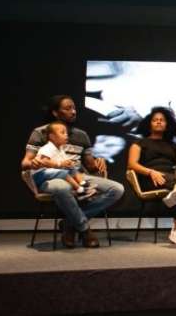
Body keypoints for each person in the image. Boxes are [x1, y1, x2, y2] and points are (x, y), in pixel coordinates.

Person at [21, 95, 125, 248]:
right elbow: (25, 162)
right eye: (68, 108)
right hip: (50, 176)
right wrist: (34, 162)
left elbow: (90, 166)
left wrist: (98, 160)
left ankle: (70, 224)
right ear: (56, 113)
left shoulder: (81, 135)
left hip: (76, 175)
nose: (74, 111)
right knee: (63, 187)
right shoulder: (41, 132)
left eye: (74, 108)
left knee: (117, 190)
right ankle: (84, 229)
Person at [127, 107, 176, 245]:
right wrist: (151, 172)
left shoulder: (173, 146)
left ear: (167, 124)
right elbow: (131, 164)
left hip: (170, 178)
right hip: (150, 179)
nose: (158, 122)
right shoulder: (139, 143)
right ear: (149, 123)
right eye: (155, 120)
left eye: (162, 120)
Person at [32, 121, 96, 200]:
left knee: (72, 168)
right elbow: (44, 161)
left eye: (66, 133)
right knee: (63, 172)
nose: (66, 135)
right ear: (52, 136)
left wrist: (68, 163)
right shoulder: (48, 148)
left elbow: (64, 161)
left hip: (52, 173)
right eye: (62, 133)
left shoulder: (60, 148)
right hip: (40, 175)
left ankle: (83, 183)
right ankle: (80, 190)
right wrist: (60, 164)